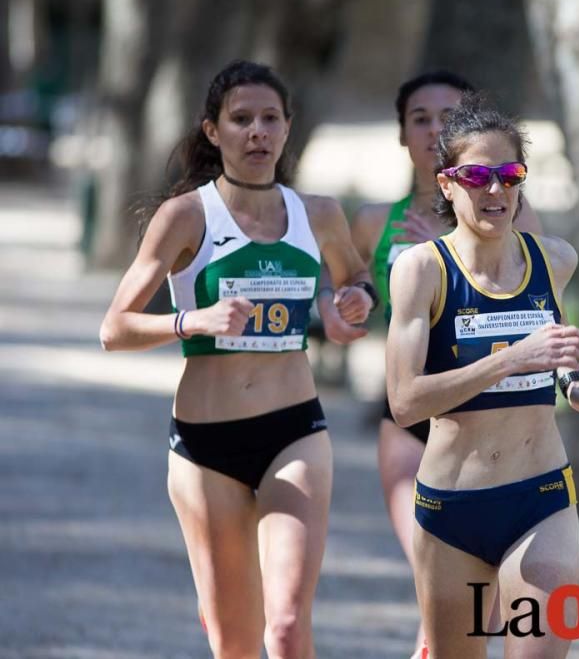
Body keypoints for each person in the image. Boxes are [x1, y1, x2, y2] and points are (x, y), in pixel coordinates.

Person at [99, 59, 374, 659]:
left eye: (269, 119)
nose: (257, 132)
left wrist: (349, 302)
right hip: (206, 447)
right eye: (241, 119)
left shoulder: (318, 213)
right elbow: (114, 328)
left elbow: (356, 276)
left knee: (285, 625)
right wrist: (189, 321)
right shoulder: (186, 217)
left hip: (294, 431)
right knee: (236, 642)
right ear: (213, 131)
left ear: (287, 128)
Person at [385, 94, 579, 658]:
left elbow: (555, 351)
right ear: (446, 184)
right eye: (477, 176)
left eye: (509, 175)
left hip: (541, 498)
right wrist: (510, 359)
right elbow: (406, 401)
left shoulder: (553, 259)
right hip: (451, 510)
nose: (495, 191)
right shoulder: (422, 270)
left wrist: (575, 388)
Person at [343, 70, 542, 656]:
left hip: (493, 420)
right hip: (408, 415)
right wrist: (348, 306)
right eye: (420, 119)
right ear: (402, 134)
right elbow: (352, 307)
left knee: (484, 596)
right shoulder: (376, 221)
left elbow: (540, 306)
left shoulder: (509, 213)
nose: (433, 129)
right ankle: (437, 627)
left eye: (447, 118)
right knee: (433, 578)